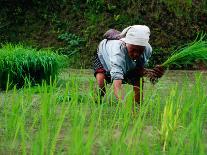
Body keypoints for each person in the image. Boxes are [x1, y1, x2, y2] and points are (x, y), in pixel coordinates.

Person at [93, 25, 164, 104]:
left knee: (137, 78)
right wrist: (126, 106)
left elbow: (139, 71)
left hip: (122, 60)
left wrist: (152, 74)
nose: (136, 54)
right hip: (103, 55)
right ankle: (96, 101)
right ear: (126, 44)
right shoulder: (117, 53)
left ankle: (138, 104)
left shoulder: (147, 50)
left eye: (140, 50)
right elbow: (117, 85)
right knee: (101, 83)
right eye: (133, 49)